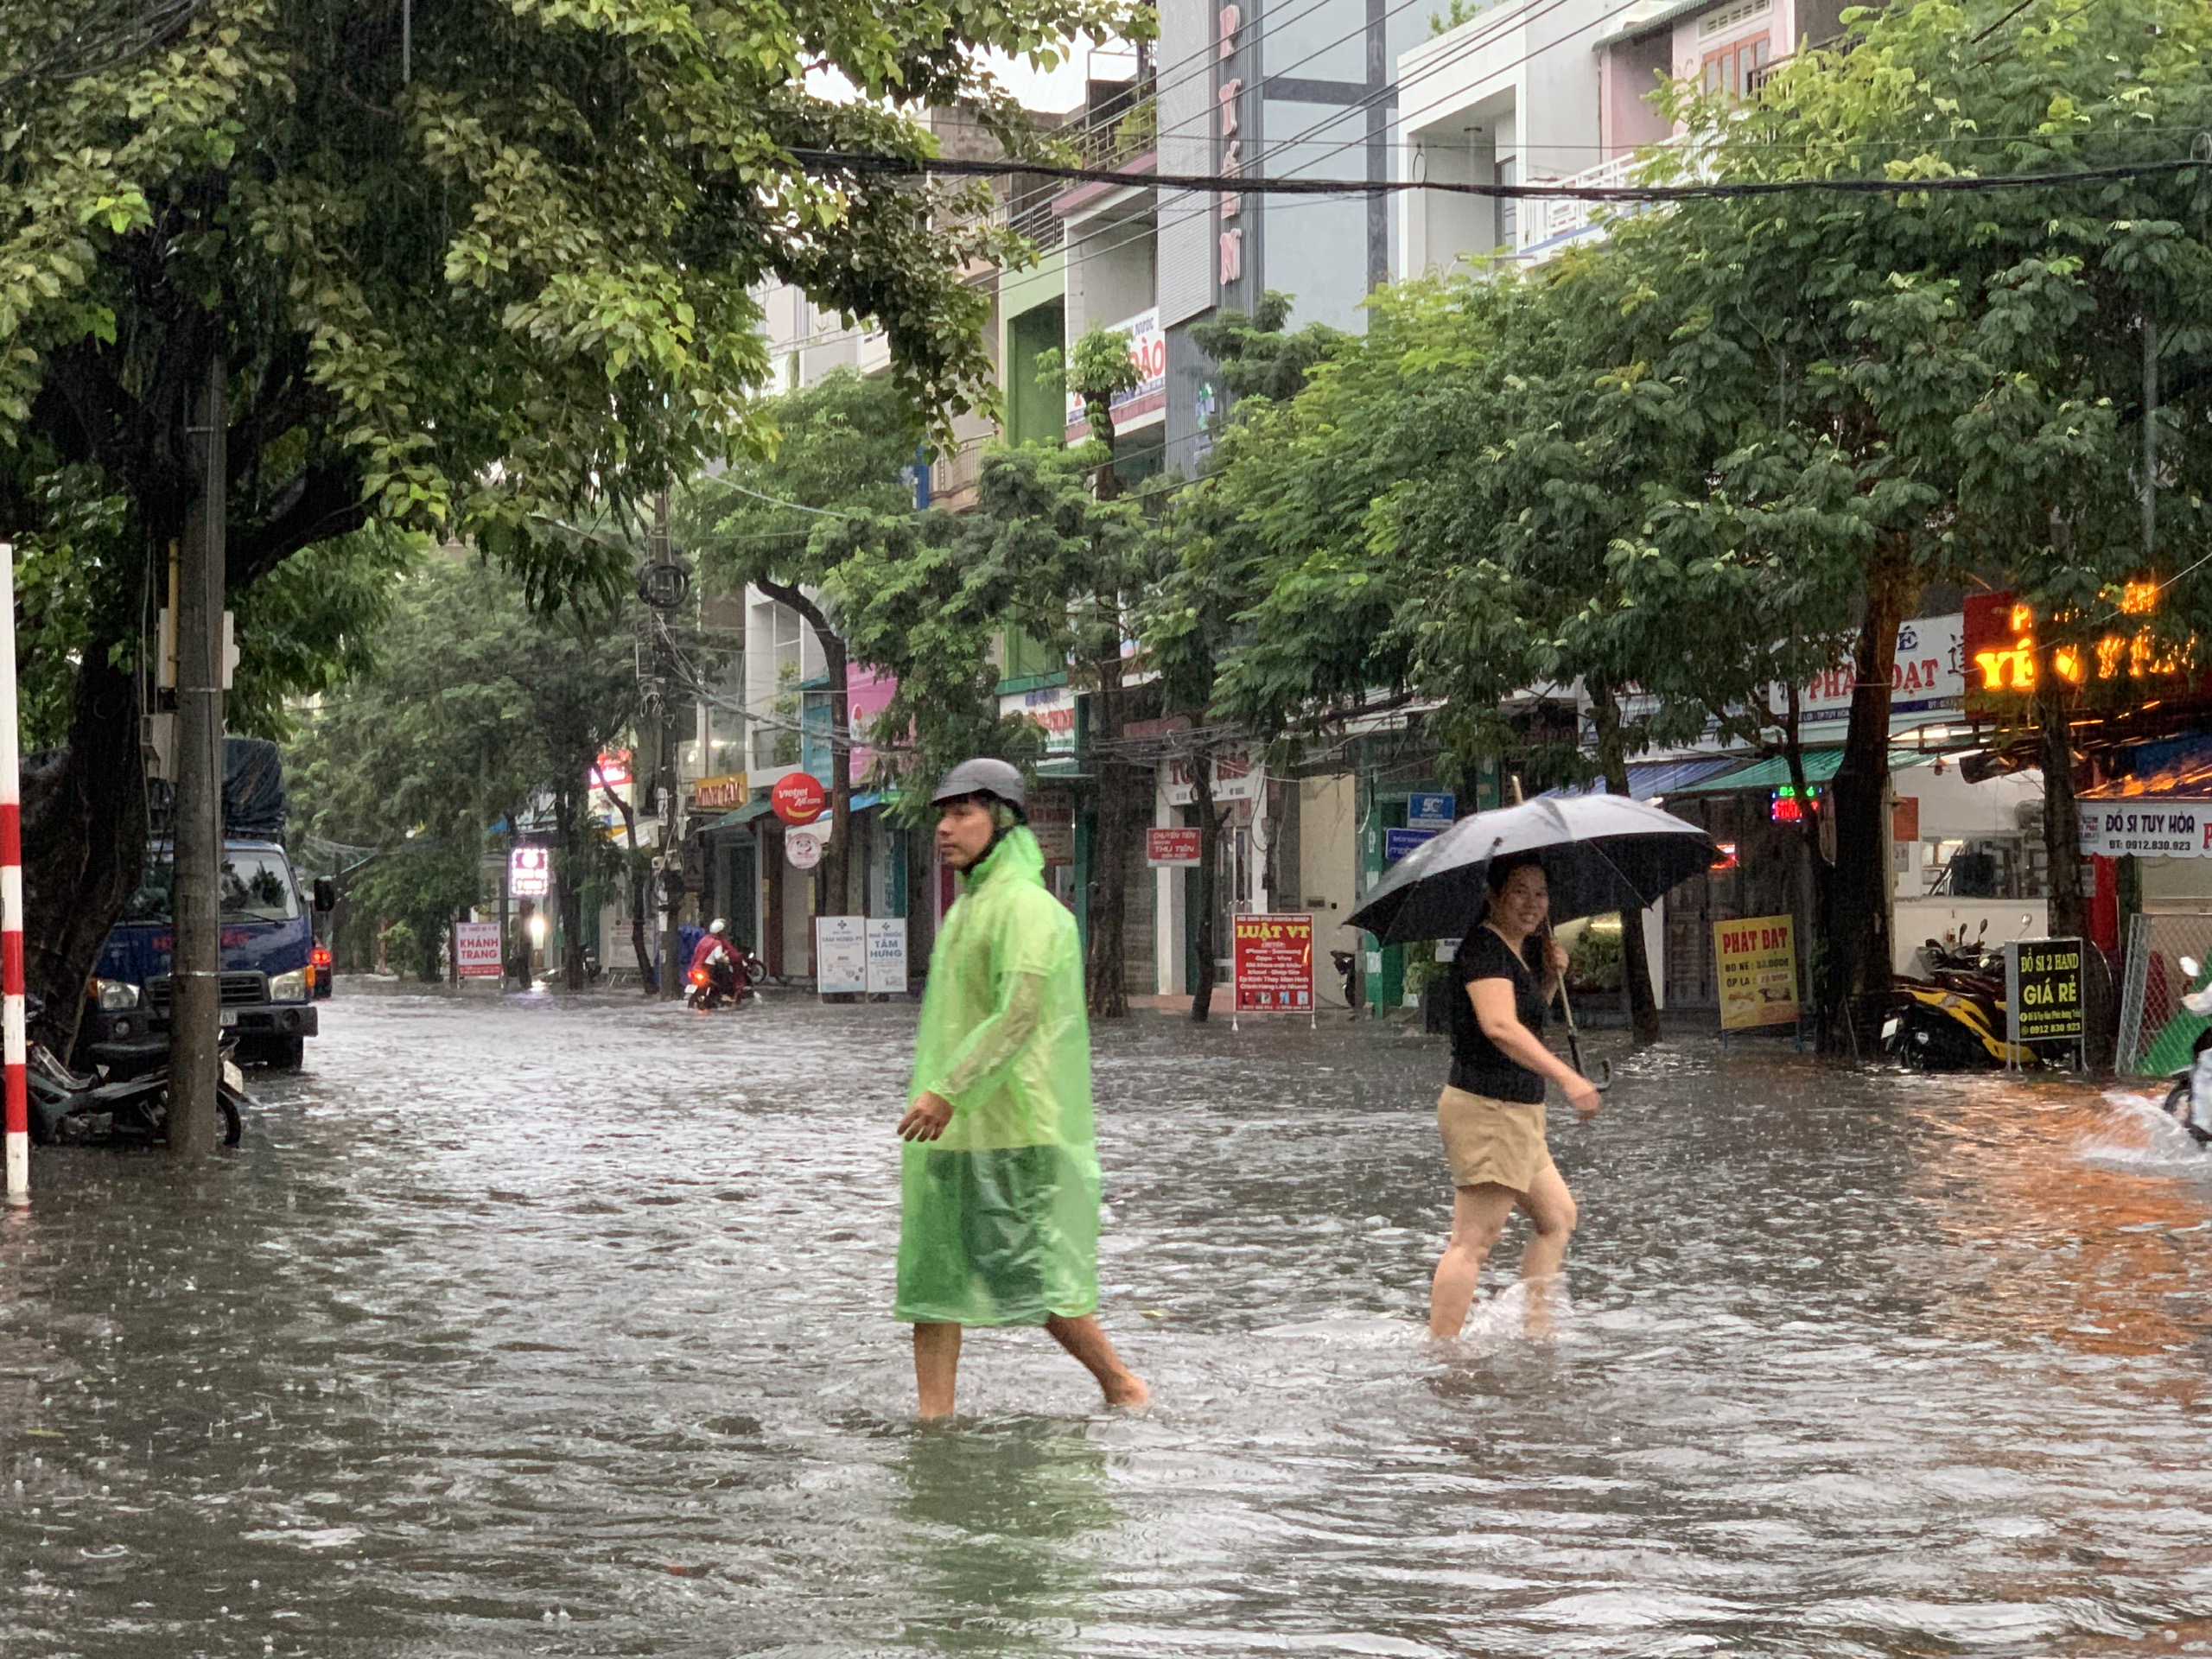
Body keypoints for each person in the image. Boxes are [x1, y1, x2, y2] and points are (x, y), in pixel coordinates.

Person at [894, 758, 1149, 1418]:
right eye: (942, 816)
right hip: (953, 1133)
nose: (944, 829)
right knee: (932, 1284)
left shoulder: (1028, 909)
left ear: (1004, 820)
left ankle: (1123, 1386)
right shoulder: (968, 908)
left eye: (962, 814)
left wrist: (949, 1090)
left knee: (1036, 1280)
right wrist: (943, 1098)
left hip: (1014, 1131)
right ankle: (934, 1427)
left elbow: (1019, 1015)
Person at [1428, 854, 1603, 1339]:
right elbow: (1500, 1027)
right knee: (1472, 1241)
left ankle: (1536, 1332)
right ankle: (1442, 1353)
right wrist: (1568, 1077)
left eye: (1540, 893)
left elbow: (1524, 1020)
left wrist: (1547, 979)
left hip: (1519, 1114)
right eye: (1519, 891)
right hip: (1489, 1111)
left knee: (1557, 1217)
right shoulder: (1484, 949)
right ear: (1494, 895)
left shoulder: (1520, 952)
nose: (1532, 903)